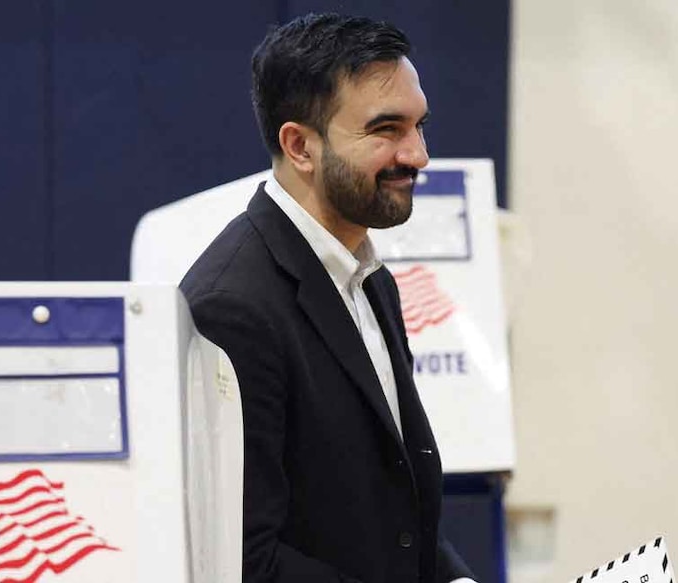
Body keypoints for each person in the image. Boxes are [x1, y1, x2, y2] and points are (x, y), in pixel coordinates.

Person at [180, 13, 478, 583]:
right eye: (387, 130)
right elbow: (246, 560)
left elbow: (397, 512)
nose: (418, 156)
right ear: (299, 146)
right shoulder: (232, 307)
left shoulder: (372, 279)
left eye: (419, 127)